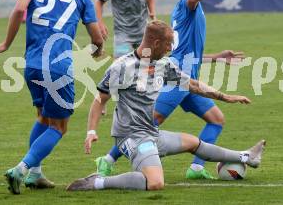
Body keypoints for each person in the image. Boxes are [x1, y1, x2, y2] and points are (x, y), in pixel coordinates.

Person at [67, 20, 265, 191]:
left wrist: (225, 97)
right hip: (130, 137)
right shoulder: (122, 67)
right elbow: (99, 99)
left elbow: (193, 85)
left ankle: (247, 157)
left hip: (151, 133)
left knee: (194, 143)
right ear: (156, 43)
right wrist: (91, 131)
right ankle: (97, 182)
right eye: (169, 44)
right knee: (155, 183)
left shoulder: (164, 64)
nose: (171, 49)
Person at [96, 0, 246, 180]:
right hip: (177, 79)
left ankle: (195, 168)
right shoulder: (188, 2)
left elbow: (184, 52)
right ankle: (107, 160)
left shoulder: (189, 9)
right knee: (150, 123)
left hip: (188, 76)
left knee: (216, 119)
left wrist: (216, 58)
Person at [0, 0, 104, 194]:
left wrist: (5, 44)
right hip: (59, 68)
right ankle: (21, 169)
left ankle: (36, 174)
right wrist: (98, 48)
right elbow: (97, 38)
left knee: (43, 117)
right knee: (59, 127)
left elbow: (20, 9)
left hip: (32, 65)